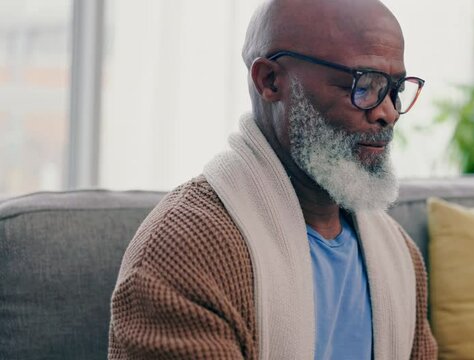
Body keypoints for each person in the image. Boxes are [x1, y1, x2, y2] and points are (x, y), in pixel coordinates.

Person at [108, 0, 436, 358]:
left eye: (395, 89)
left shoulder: (400, 257)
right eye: (363, 85)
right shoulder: (185, 250)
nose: (388, 112)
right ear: (270, 80)